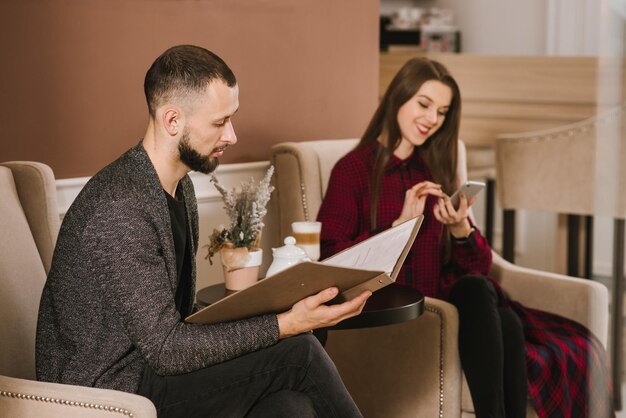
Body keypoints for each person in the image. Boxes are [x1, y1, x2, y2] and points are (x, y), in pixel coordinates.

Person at [35, 44, 371, 418]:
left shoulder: (181, 187)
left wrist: (280, 311)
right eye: (219, 122)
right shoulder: (121, 206)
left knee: (289, 407)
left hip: (148, 370)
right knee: (301, 352)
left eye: (231, 119)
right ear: (172, 121)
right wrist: (285, 325)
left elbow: (174, 321)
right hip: (108, 393)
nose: (232, 135)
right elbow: (167, 348)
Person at [317, 57, 613, 418]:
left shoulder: (436, 165)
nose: (431, 119)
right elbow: (331, 257)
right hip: (399, 306)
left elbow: (481, 265)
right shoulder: (352, 170)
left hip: (452, 300)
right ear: (398, 98)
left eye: (442, 112)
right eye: (424, 105)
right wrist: (397, 228)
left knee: (479, 289)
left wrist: (460, 230)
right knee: (505, 320)